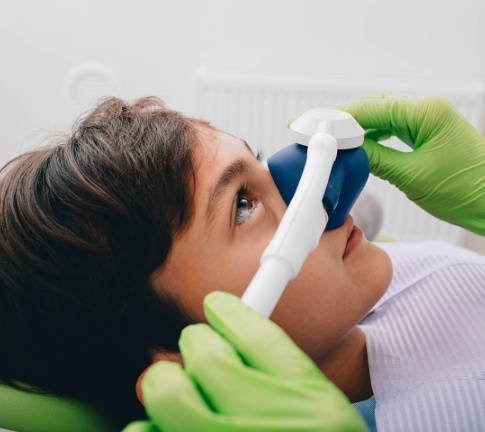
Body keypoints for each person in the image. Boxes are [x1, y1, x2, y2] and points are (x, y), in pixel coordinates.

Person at [0, 95, 484, 431]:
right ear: (190, 354)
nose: (312, 189)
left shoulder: (413, 275)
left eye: (258, 160)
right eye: (242, 205)